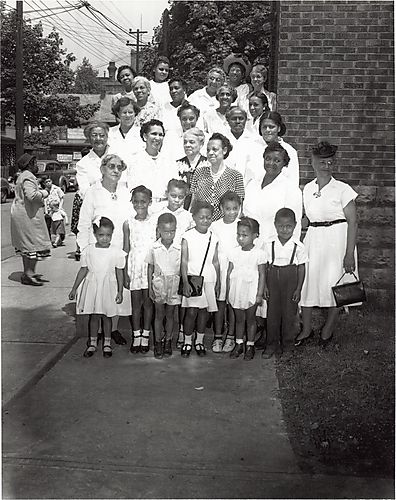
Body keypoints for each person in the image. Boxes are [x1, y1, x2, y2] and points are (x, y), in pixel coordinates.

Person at [295, 141, 359, 348]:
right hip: (314, 238)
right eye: (322, 161)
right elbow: (307, 218)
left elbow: (353, 222)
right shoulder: (307, 189)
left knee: (335, 284)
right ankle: (305, 329)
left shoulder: (343, 189)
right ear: (312, 162)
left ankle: (328, 330)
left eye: (330, 162)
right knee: (307, 282)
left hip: (337, 240)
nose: (326, 165)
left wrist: (349, 254)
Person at [77, 154, 132, 345]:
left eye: (119, 167)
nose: (115, 170)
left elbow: (129, 222)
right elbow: (84, 223)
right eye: (111, 166)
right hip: (97, 249)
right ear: (102, 169)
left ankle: (113, 329)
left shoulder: (125, 192)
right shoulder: (93, 192)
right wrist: (85, 249)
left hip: (118, 250)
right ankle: (98, 331)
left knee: (114, 289)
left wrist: (127, 250)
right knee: (98, 289)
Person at [69, 216, 124, 359]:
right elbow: (83, 269)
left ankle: (107, 342)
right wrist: (74, 288)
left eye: (108, 235)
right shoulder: (89, 250)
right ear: (95, 234)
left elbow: (119, 271)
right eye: (101, 235)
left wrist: (120, 291)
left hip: (108, 287)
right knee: (94, 316)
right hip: (93, 286)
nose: (105, 238)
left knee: (107, 316)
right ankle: (92, 342)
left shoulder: (116, 251)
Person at [262, 208, 308, 358]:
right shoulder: (269, 243)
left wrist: (298, 289)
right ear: (275, 225)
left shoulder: (298, 246)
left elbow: (301, 268)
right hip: (273, 277)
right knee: (272, 314)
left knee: (289, 315)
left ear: (295, 225)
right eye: (281, 226)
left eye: (288, 226)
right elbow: (263, 266)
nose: (284, 229)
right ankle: (271, 345)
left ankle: (288, 346)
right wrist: (265, 286)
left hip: (291, 279)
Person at [180, 200, 220, 358]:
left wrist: (219, 283)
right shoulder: (187, 236)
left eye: (209, 217)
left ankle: (200, 341)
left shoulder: (214, 237)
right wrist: (184, 282)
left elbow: (215, 261)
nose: (205, 220)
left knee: (204, 312)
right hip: (192, 277)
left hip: (209, 278)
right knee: (191, 312)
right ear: (194, 217)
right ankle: (187, 341)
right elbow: (184, 261)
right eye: (202, 217)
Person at [244, 142, 302, 247]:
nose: (271, 163)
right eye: (268, 159)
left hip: (274, 248)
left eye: (277, 160)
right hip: (250, 247)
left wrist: (289, 251)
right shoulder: (252, 184)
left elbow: (294, 226)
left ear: (284, 164)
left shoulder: (290, 189)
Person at [123, 185, 157, 354]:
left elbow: (157, 247)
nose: (139, 204)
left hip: (150, 268)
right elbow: (126, 250)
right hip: (134, 267)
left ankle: (146, 336)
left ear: (149, 202)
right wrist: (124, 273)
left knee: (148, 304)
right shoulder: (128, 223)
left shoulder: (155, 222)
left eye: (143, 201)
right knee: (136, 305)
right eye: (136, 201)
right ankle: (136, 336)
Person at [226, 217, 265, 361]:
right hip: (236, 290)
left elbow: (262, 275)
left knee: (251, 319)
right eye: (238, 235)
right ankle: (239, 343)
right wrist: (228, 292)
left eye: (245, 235)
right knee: (238, 319)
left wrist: (259, 294)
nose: (240, 238)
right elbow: (229, 273)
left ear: (255, 236)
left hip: (251, 290)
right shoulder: (234, 252)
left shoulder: (259, 254)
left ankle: (250, 344)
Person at [10, 153, 51, 286]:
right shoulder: (28, 176)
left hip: (22, 214)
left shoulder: (23, 176)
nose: (37, 165)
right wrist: (45, 192)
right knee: (34, 244)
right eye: (35, 163)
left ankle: (28, 272)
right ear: (30, 165)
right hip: (28, 216)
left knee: (26, 246)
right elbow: (32, 196)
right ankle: (30, 273)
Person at [72, 121, 110, 261]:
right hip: (95, 212)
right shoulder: (83, 163)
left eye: (102, 135)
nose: (98, 139)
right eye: (94, 135)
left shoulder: (117, 156)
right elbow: (84, 191)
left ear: (107, 136)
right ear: (89, 138)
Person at [146, 212, 182, 359]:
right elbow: (150, 267)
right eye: (166, 231)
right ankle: (158, 342)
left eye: (172, 231)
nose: (169, 235)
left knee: (171, 315)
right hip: (159, 284)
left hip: (174, 283)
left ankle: (168, 341)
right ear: (159, 230)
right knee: (159, 315)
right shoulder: (154, 248)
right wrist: (149, 287)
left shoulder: (179, 248)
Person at [190, 132, 245, 221]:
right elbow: (193, 204)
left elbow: (239, 209)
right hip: (202, 225)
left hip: (225, 227)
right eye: (208, 150)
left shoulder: (236, 176)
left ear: (224, 150)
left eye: (214, 149)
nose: (210, 153)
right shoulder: (199, 173)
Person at [211, 191, 241, 353]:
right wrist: (216, 277)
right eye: (228, 209)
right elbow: (214, 253)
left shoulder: (242, 224)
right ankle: (217, 336)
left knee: (233, 304)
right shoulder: (215, 226)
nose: (231, 212)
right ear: (221, 208)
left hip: (236, 268)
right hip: (220, 269)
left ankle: (230, 337)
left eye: (235, 208)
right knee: (219, 303)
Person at [127, 119, 178, 205]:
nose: (157, 138)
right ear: (145, 136)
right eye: (154, 134)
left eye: (161, 135)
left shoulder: (169, 161)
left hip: (165, 206)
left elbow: (175, 188)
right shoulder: (134, 160)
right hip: (143, 207)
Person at [255, 111, 300, 186]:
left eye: (271, 127)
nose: (267, 130)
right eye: (264, 127)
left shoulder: (289, 151)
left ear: (279, 128)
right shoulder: (250, 147)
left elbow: (293, 180)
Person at [224, 106, 262, 181]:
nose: (238, 121)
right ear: (227, 120)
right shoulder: (221, 139)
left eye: (241, 118)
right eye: (234, 118)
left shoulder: (255, 140)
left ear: (246, 120)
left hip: (248, 184)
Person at [176, 127, 207, 209]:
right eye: (185, 142)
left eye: (192, 142)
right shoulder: (177, 165)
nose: (187, 145)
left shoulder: (209, 164)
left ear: (201, 144)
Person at [108, 97, 142, 166]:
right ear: (118, 114)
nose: (127, 115)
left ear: (135, 113)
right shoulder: (110, 132)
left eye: (130, 112)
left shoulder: (142, 133)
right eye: (124, 112)